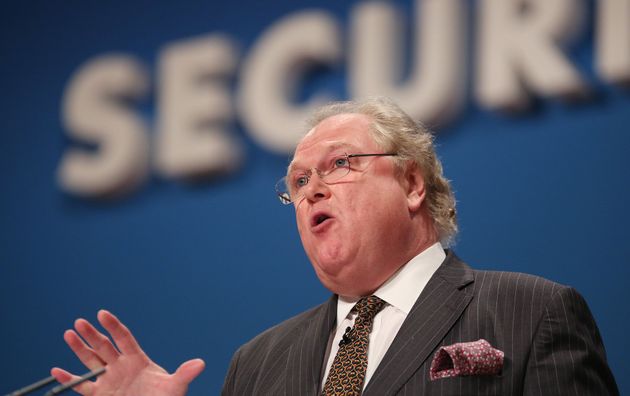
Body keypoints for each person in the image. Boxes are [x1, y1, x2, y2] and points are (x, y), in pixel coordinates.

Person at [52, 97, 618, 395]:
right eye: (298, 182)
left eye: (340, 164)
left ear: (412, 183)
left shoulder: (532, 313)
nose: (312, 189)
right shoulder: (257, 363)